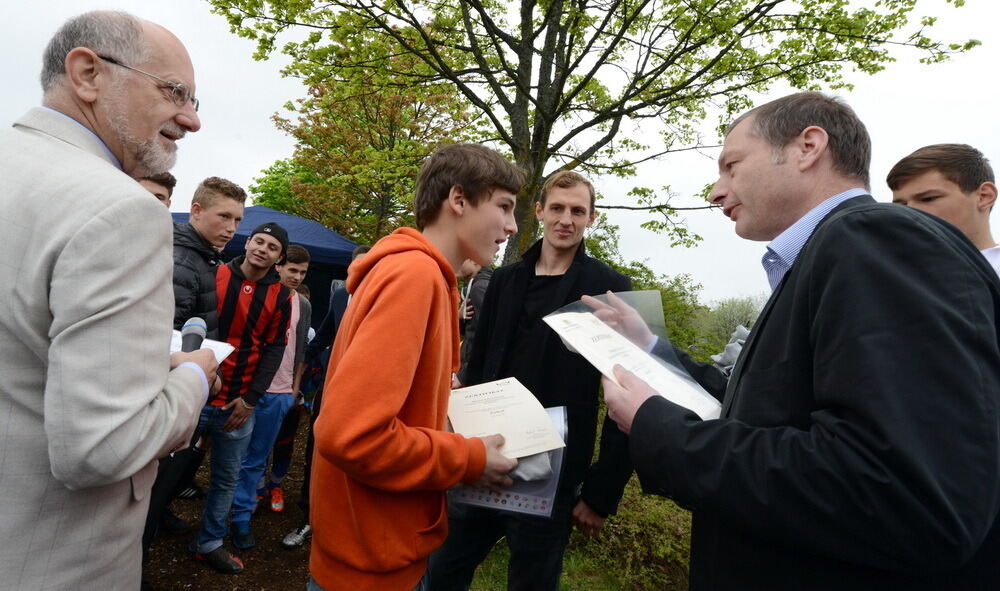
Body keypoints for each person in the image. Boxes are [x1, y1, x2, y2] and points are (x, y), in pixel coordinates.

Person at [597, 92, 1000, 589]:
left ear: (808, 147)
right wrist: (655, 349)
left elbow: (899, 493)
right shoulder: (829, 255)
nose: (715, 191)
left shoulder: (874, 239)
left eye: (731, 165)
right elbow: (772, 414)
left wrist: (659, 430)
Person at [0, 10, 216, 590]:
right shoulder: (120, 209)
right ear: (88, 73)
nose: (192, 120)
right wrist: (194, 377)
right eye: (176, 92)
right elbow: (100, 448)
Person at [308, 143, 521, 590]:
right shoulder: (414, 277)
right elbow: (352, 436)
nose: (512, 226)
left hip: (379, 546)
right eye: (503, 207)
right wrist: (470, 457)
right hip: (370, 566)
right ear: (458, 200)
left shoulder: (429, 277)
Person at [425, 170, 632, 591]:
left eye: (578, 211)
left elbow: (627, 393)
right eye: (557, 208)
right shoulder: (504, 280)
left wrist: (600, 492)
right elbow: (477, 365)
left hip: (553, 470)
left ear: (592, 218)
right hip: (486, 453)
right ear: (539, 212)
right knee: (443, 571)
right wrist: (459, 447)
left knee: (532, 583)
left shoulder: (608, 289)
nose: (566, 219)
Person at [190, 222, 294, 574]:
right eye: (259, 241)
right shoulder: (214, 274)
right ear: (247, 242)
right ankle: (150, 527)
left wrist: (251, 399)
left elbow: (275, 347)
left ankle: (210, 542)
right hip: (196, 391)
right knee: (170, 468)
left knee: (226, 477)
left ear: (279, 258)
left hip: (239, 403)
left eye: (273, 247)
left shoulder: (282, 296)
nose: (263, 249)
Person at [281, 244, 371, 549]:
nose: (359, 273)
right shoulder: (340, 295)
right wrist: (298, 365)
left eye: (367, 267)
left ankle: (343, 523)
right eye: (355, 267)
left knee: (353, 459)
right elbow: (323, 336)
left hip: (365, 397)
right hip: (330, 390)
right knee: (316, 451)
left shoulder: (385, 298)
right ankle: (309, 518)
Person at [229, 244, 312, 546]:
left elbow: (301, 349)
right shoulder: (259, 295)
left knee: (256, 458)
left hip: (279, 392)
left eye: (302, 272)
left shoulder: (303, 304)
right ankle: (225, 513)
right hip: (246, 388)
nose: (296, 276)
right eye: (292, 269)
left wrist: (294, 387)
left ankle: (242, 515)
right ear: (279, 266)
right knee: (232, 457)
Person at [887, 143, 999, 273]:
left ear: (984, 196)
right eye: (901, 205)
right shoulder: (893, 274)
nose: (909, 212)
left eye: (928, 199)